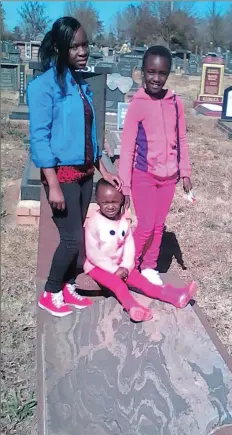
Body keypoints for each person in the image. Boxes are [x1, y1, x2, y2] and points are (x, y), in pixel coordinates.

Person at [28, 17, 121, 317]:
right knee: (72, 240)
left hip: (84, 174)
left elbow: (89, 133)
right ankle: (51, 291)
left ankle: (68, 286)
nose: (83, 52)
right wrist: (52, 183)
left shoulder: (81, 85)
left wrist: (103, 168)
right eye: (75, 46)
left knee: (77, 235)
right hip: (62, 175)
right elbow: (40, 138)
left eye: (85, 45)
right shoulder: (42, 87)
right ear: (59, 47)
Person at [117, 45, 193, 287]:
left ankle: (149, 266)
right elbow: (127, 147)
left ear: (168, 74)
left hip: (169, 178)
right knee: (146, 225)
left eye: (162, 73)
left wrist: (185, 172)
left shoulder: (175, 103)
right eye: (151, 72)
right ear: (142, 72)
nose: (156, 78)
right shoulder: (137, 104)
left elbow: (181, 139)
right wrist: (125, 187)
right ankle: (128, 266)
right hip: (144, 175)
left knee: (158, 225)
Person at [84, 179, 197, 322]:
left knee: (144, 283)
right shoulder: (94, 223)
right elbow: (93, 253)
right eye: (105, 203)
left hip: (122, 265)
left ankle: (176, 296)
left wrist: (125, 265)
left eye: (115, 202)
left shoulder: (122, 221)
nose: (110, 206)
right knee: (118, 285)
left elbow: (129, 245)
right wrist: (114, 270)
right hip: (98, 267)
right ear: (98, 202)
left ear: (122, 200)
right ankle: (132, 307)